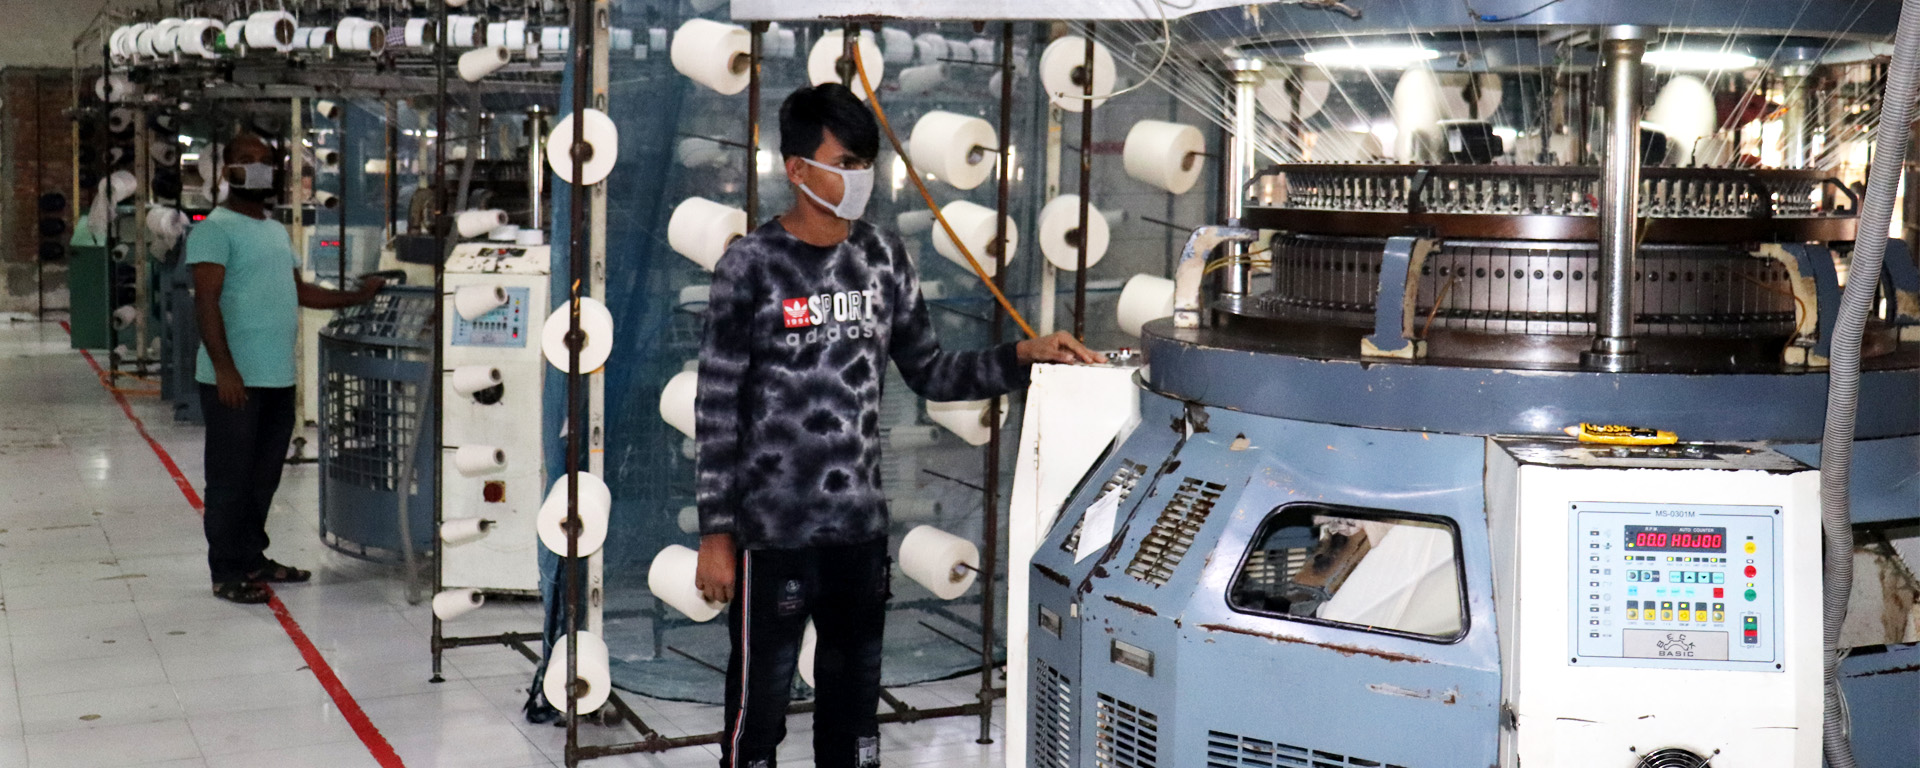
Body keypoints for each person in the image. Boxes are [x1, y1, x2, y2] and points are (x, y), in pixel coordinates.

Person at [692, 83, 1100, 768]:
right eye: (843, 163)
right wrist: (716, 535)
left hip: (858, 532)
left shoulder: (882, 258)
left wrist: (1023, 356)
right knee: (756, 720)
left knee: (854, 725)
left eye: (865, 164)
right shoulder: (751, 266)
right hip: (774, 534)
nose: (859, 178)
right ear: (796, 169)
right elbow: (716, 406)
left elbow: (932, 371)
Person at [189, 130, 383, 604]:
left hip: (277, 376)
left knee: (263, 477)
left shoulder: (275, 230)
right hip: (234, 380)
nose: (257, 167)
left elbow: (299, 291)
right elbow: (206, 303)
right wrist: (225, 369)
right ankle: (226, 571)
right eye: (246, 159)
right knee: (230, 479)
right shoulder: (215, 229)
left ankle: (252, 557)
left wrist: (356, 297)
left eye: (265, 160)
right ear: (226, 170)